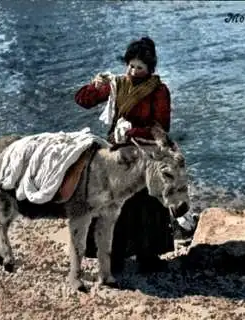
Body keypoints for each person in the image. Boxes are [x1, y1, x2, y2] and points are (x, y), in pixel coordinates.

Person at [75, 37, 175, 272]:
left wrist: (132, 131)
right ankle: (112, 256)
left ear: (150, 69)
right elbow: (82, 101)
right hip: (118, 152)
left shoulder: (159, 91)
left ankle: (147, 257)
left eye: (140, 67)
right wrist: (94, 86)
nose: (134, 71)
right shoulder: (117, 84)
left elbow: (162, 127)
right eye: (131, 65)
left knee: (146, 203)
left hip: (145, 151)